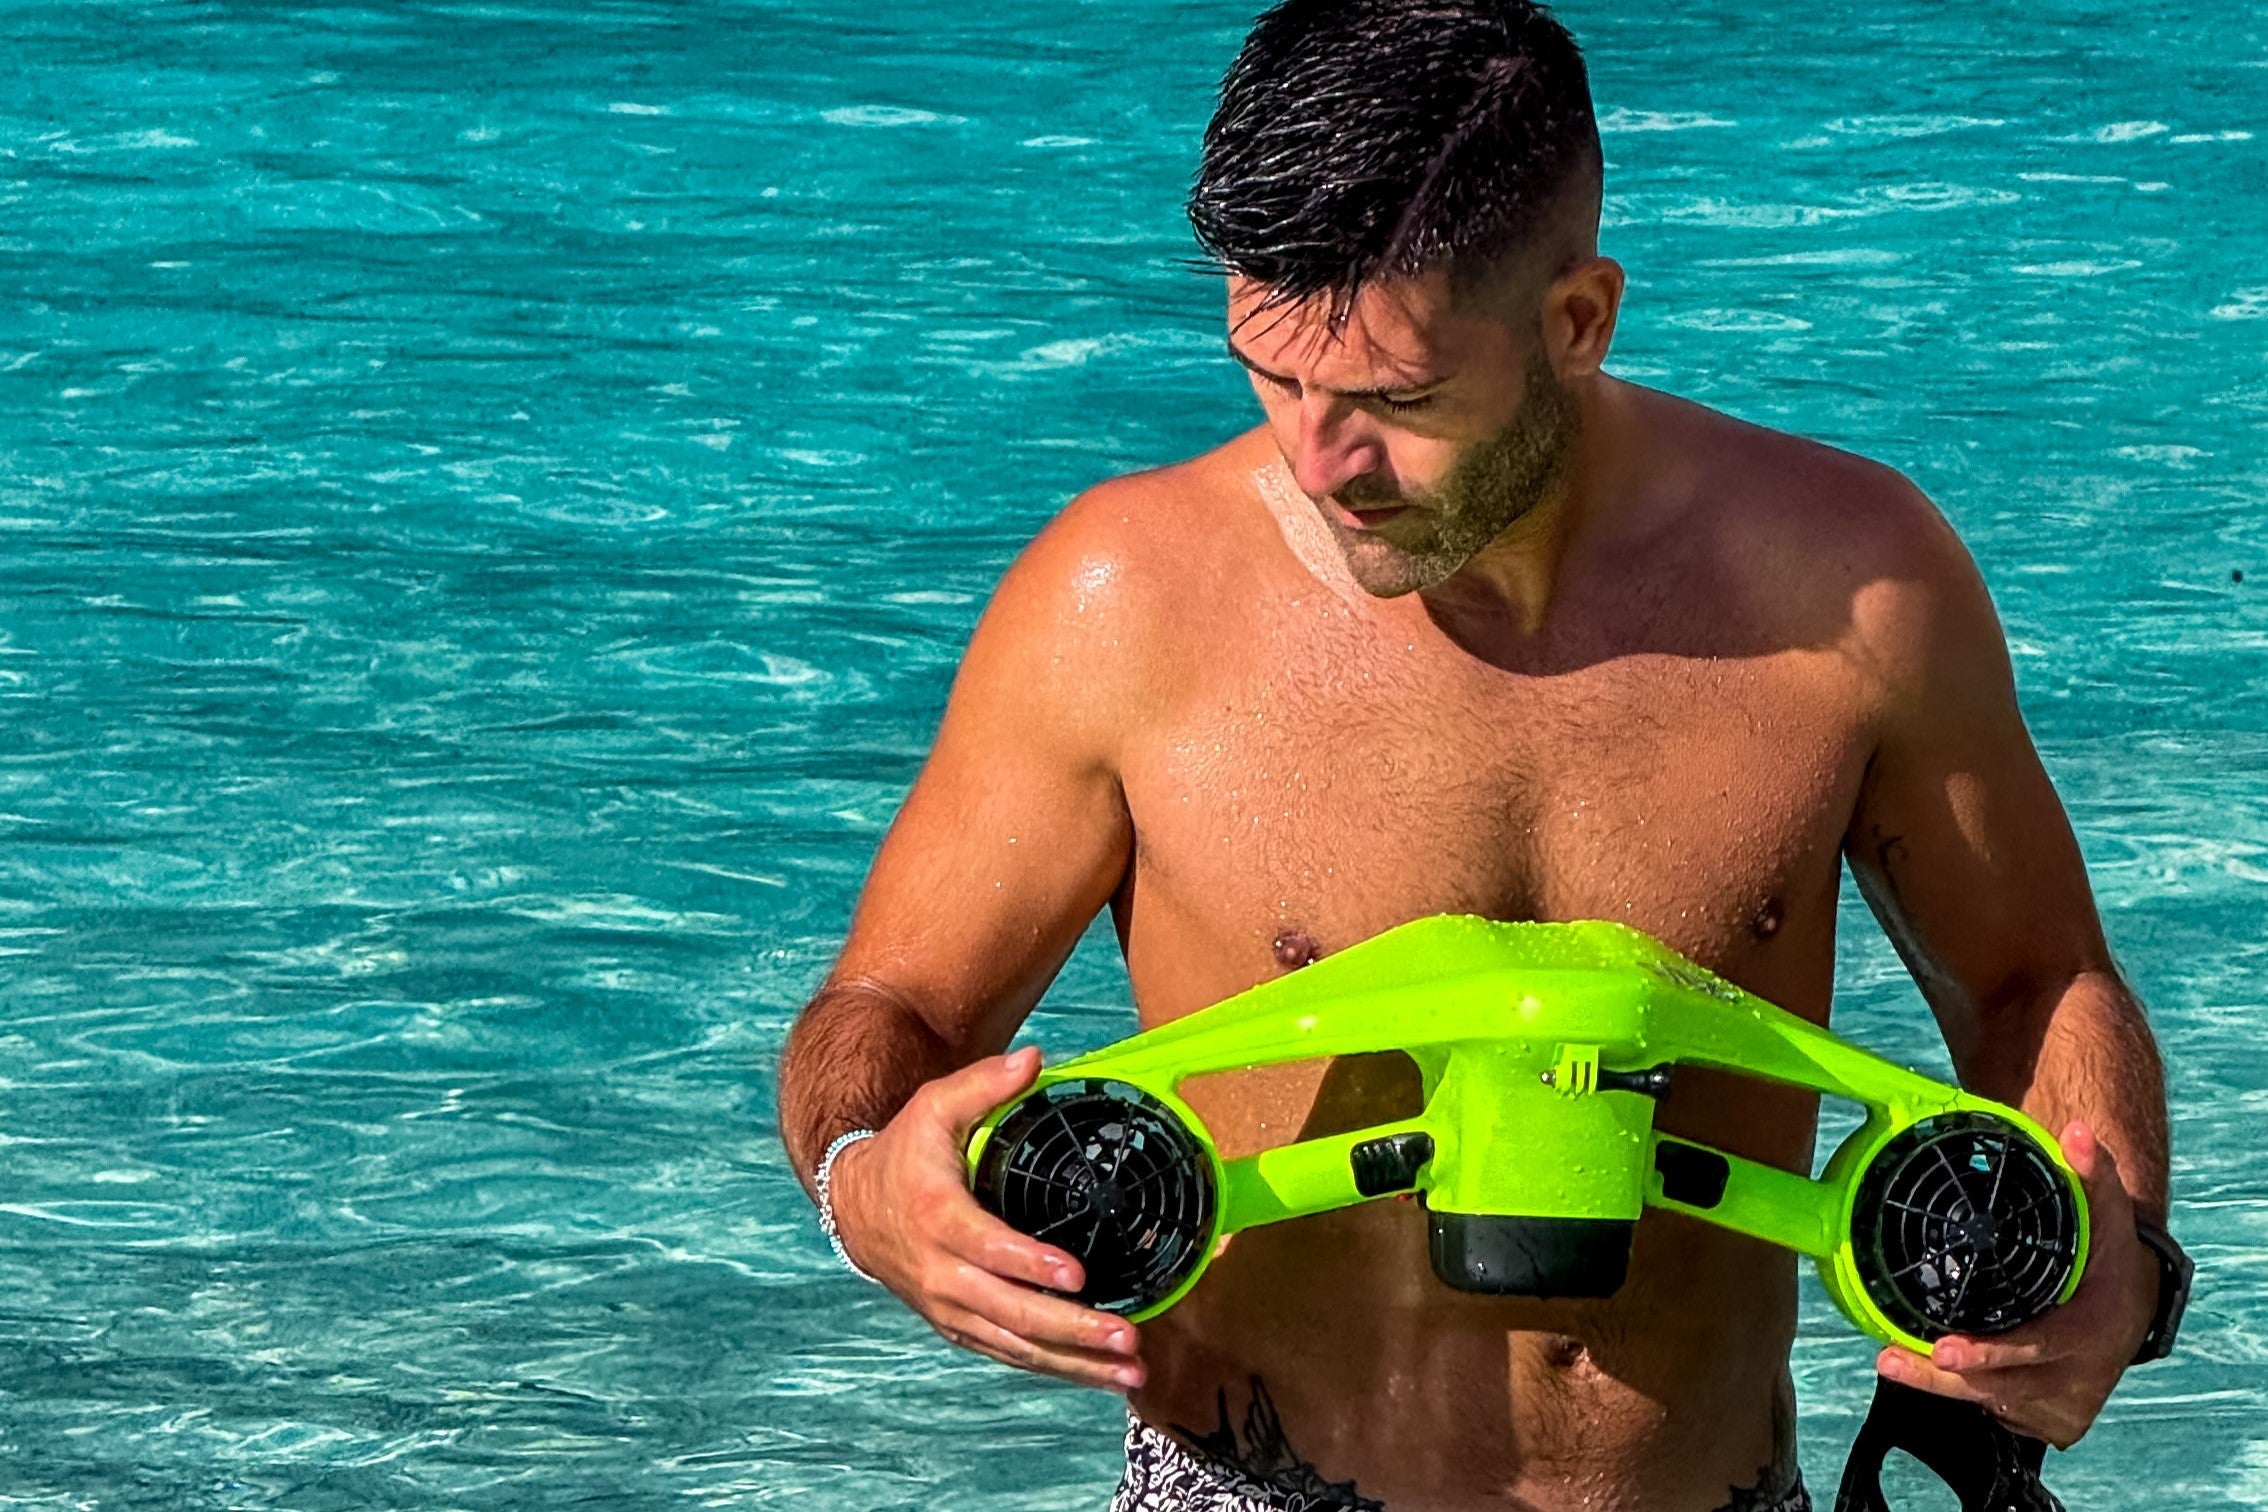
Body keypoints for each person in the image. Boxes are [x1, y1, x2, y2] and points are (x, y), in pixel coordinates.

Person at [774, 2, 2181, 1507]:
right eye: (1273, 374)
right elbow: (892, 1009)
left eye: (1395, 401)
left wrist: (2120, 1270)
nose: (1320, 464)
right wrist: (871, 1184)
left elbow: (2038, 980)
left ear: (1578, 320)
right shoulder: (1126, 603)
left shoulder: (1852, 590)